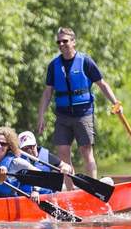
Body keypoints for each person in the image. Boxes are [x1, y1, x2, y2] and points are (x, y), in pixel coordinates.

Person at [37, 27, 119, 179]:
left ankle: (93, 185)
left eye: (65, 41)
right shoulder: (54, 65)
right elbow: (48, 92)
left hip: (83, 114)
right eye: (59, 42)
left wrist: (115, 102)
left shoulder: (85, 61)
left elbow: (102, 84)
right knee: (62, 153)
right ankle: (69, 191)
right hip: (62, 115)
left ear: (73, 42)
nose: (61, 44)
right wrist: (41, 116)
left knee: (85, 151)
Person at [0, 127, 42, 199]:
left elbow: (40, 174)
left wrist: (35, 191)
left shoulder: (16, 162)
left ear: (9, 146)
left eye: (3, 144)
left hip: (9, 204)